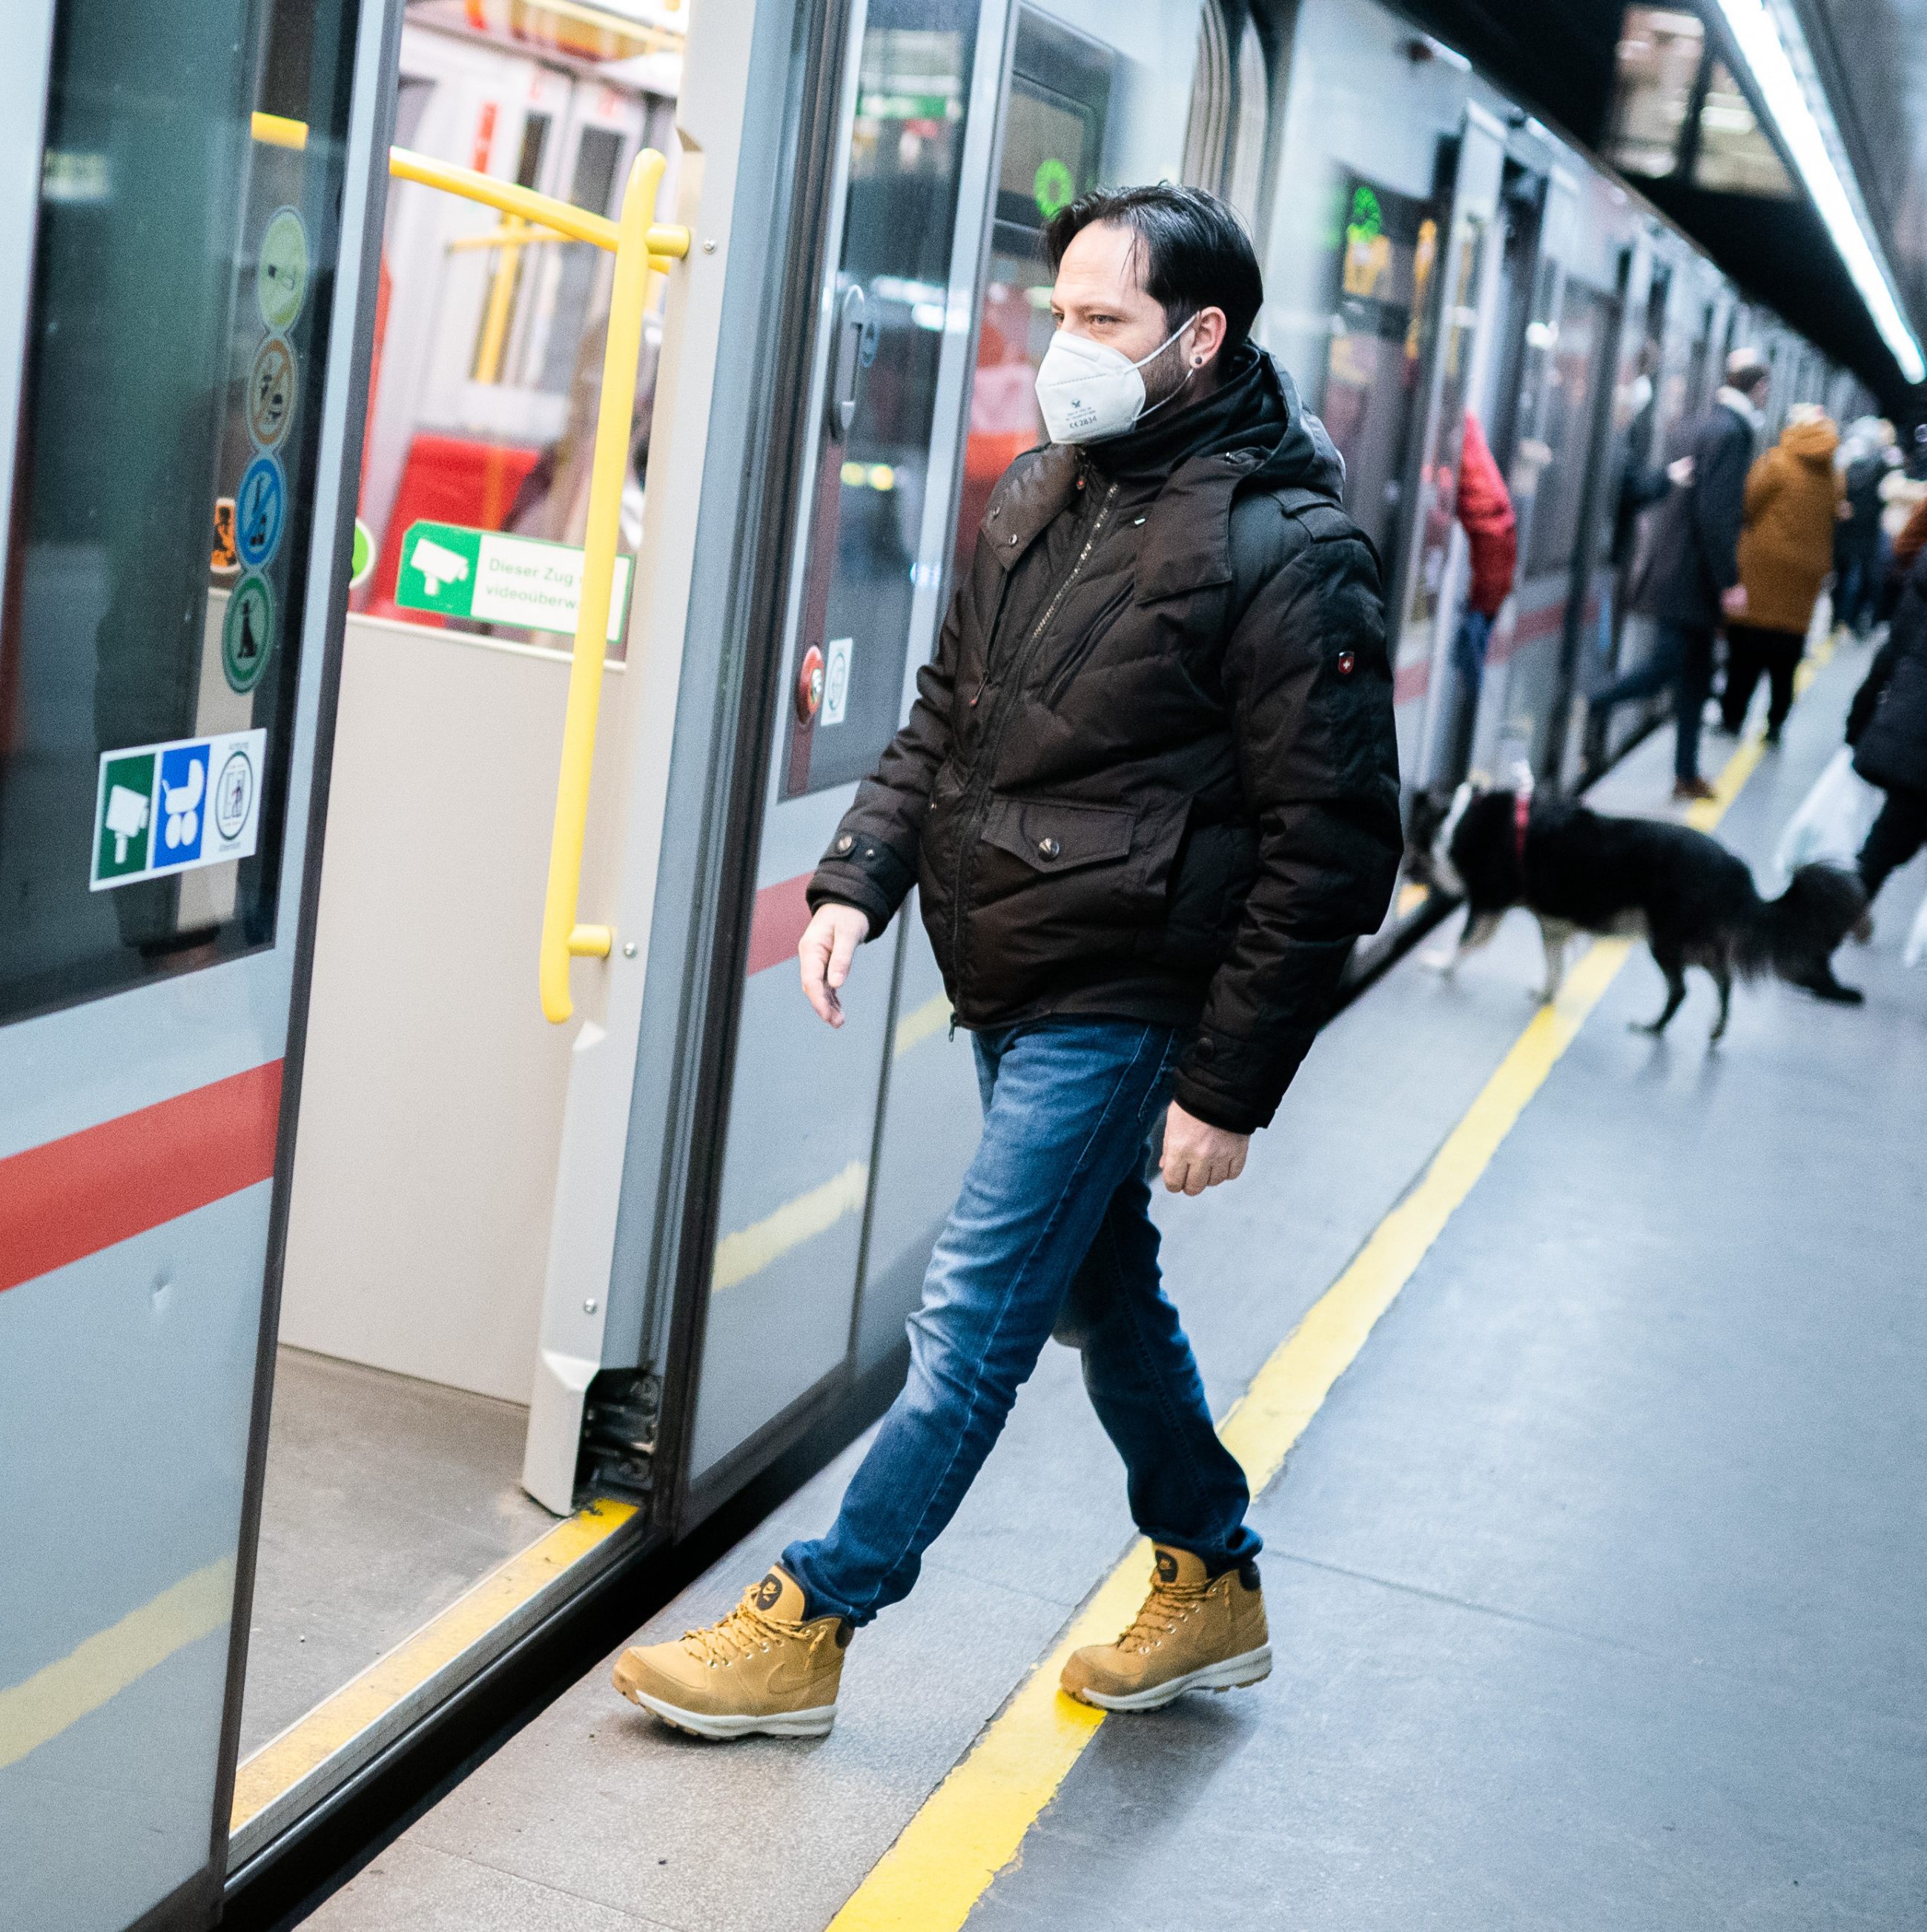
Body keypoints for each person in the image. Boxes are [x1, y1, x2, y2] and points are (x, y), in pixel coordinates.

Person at [612, 185, 1402, 1739]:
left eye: (1104, 321)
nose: (1065, 348)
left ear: (1199, 337)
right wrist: (857, 878)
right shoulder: (1045, 488)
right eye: (1060, 315)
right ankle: (1211, 1574)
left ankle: (814, 1620)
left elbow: (1331, 845)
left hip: (1129, 991)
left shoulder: (1289, 549)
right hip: (1014, 967)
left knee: (972, 1312)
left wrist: (1226, 1084)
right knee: (1101, 1292)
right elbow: (948, 715)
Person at [1590, 348, 1770, 801]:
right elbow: (1716, 514)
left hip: (1678, 570)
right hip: (1692, 580)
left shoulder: (1698, 424)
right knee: (1665, 669)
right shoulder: (1734, 434)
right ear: (1758, 388)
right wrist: (1729, 581)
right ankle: (1594, 701)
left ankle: (1686, 774)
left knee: (1696, 676)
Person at [1718, 404, 1840, 744]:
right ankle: (1775, 723)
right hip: (1803, 579)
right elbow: (1835, 513)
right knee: (1786, 657)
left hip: (1762, 568)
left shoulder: (1777, 462)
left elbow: (1748, 505)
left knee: (1746, 652)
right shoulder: (1834, 476)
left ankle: (1733, 717)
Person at [1845, 541, 1927, 906]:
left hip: (1912, 722)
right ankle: (1843, 912)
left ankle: (1843, 911)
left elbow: (1893, 649)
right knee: (1894, 835)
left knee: (1888, 837)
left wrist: (1860, 716)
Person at [1441, 408, 1517, 775]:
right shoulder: (1466, 429)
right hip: (1488, 588)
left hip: (1484, 590)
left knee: (1465, 678)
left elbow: (1488, 517)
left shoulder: (1457, 430)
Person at [1834, 417, 1895, 636]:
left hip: (1850, 528)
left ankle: (1840, 621)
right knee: (1854, 578)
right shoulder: (1882, 466)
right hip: (1862, 529)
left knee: (1846, 577)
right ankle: (1846, 621)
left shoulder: (1847, 461)